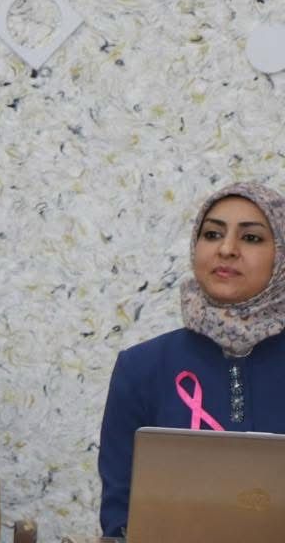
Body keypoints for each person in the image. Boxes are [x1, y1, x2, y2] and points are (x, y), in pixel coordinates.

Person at [97, 181, 285, 537]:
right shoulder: (141, 368)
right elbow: (120, 516)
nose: (226, 249)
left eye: (251, 238)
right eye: (212, 234)